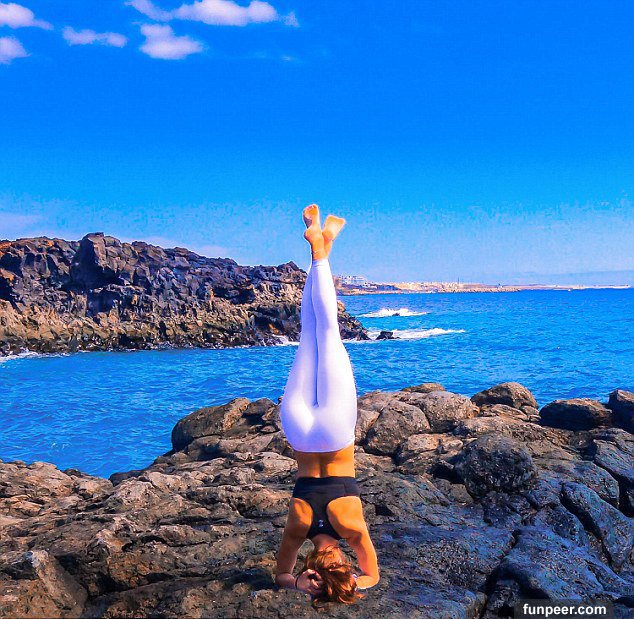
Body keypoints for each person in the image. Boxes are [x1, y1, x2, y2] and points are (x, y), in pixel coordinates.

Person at [274, 204, 380, 607]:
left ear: (341, 562)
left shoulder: (351, 527)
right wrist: (298, 583)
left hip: (334, 431)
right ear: (311, 566)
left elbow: (371, 575)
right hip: (300, 431)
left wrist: (352, 581)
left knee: (328, 333)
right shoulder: (298, 527)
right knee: (309, 334)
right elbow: (282, 575)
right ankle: (322, 247)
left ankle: (320, 250)